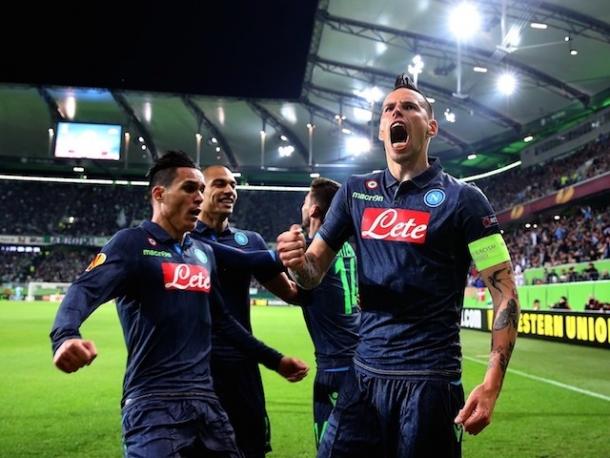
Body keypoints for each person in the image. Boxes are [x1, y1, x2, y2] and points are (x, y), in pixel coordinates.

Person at [277, 74, 520, 457]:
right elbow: (312, 274)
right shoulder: (354, 192)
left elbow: (504, 292)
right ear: (381, 131)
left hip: (430, 381)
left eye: (409, 107)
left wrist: (491, 383)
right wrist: (295, 262)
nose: (397, 112)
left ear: (431, 126)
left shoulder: (465, 199)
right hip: (363, 377)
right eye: (389, 108)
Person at [50, 151, 308, 457]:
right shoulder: (132, 243)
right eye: (189, 189)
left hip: (206, 403)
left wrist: (275, 361)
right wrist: (65, 336)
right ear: (159, 194)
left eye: (201, 189)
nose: (199, 197)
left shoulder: (202, 253)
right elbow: (83, 289)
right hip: (153, 403)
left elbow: (223, 322)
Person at [190, 165, 301, 458]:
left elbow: (291, 292)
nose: (229, 190)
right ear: (200, 192)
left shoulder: (250, 239)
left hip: (242, 364)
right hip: (198, 367)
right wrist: (281, 256)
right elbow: (247, 261)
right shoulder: (182, 240)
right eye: (219, 184)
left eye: (233, 184)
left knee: (249, 447)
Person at [298, 177, 361, 448]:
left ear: (314, 210)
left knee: (332, 449)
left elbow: (296, 289)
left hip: (335, 366)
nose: (302, 207)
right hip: (358, 357)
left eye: (304, 202)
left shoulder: (311, 256)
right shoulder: (348, 249)